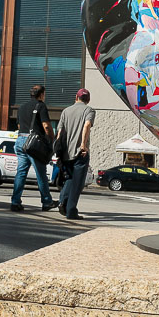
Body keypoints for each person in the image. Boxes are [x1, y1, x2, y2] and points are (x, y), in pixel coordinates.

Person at [11, 84, 58, 212]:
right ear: (41, 94)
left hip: (20, 140)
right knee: (41, 173)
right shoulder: (41, 105)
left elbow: (20, 125)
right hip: (33, 143)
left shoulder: (22, 107)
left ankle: (15, 202)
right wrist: (51, 140)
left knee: (21, 173)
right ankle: (47, 201)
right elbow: (46, 126)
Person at [56, 88, 96, 220]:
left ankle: (62, 200)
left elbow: (60, 132)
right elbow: (87, 125)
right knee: (78, 183)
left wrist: (58, 150)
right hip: (80, 152)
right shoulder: (89, 110)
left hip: (66, 152)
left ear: (76, 97)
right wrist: (83, 145)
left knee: (69, 178)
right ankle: (71, 211)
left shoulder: (66, 111)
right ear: (88, 99)